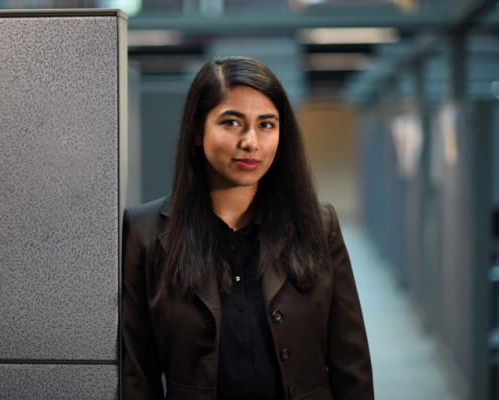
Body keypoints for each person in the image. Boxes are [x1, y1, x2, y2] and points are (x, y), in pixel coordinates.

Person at [122, 56, 373, 400]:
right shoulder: (144, 233)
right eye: (232, 122)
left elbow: (351, 361)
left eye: (266, 125)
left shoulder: (319, 225)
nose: (251, 142)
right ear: (197, 131)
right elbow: (138, 374)